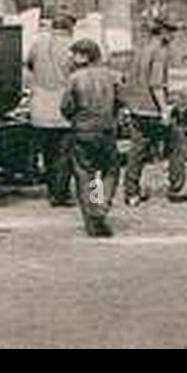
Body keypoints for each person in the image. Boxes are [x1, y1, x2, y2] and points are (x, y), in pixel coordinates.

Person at [122, 16, 187, 206]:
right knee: (177, 141)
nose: (174, 35)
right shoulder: (160, 51)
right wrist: (165, 109)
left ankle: (131, 192)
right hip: (152, 109)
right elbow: (156, 84)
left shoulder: (141, 49)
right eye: (172, 31)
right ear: (164, 32)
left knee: (137, 149)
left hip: (137, 108)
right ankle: (177, 187)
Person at [60, 38, 123, 237]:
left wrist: (76, 119)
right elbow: (120, 101)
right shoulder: (112, 76)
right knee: (108, 171)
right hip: (106, 130)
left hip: (83, 131)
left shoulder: (75, 78)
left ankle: (92, 212)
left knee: (85, 173)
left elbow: (66, 107)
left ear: (85, 56)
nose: (72, 58)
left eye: (76, 54)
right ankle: (101, 206)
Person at [25, 5, 77, 205]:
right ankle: (61, 193)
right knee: (64, 153)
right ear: (70, 26)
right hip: (63, 108)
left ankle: (51, 189)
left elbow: (29, 64)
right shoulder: (74, 47)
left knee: (48, 151)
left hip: (40, 107)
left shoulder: (38, 43)